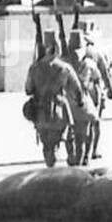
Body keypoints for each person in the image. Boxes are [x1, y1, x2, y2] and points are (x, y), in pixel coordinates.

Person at [23, 36, 84, 166]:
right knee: (69, 136)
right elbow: (77, 88)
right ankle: (72, 162)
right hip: (60, 110)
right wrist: (80, 101)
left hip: (40, 113)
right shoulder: (64, 67)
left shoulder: (34, 68)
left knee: (47, 144)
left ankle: (50, 165)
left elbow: (28, 89)